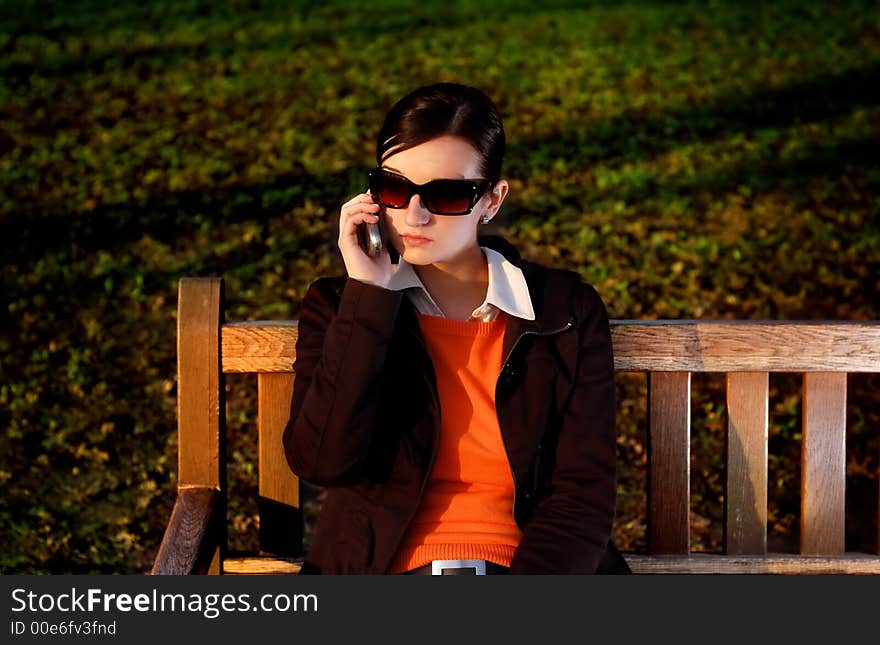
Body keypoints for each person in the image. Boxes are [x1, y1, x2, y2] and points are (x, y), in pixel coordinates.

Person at [283, 82, 630, 574]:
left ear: (492, 199)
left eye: (446, 194)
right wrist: (369, 298)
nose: (413, 214)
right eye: (394, 189)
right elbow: (323, 461)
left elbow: (581, 496)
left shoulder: (564, 313)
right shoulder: (342, 307)